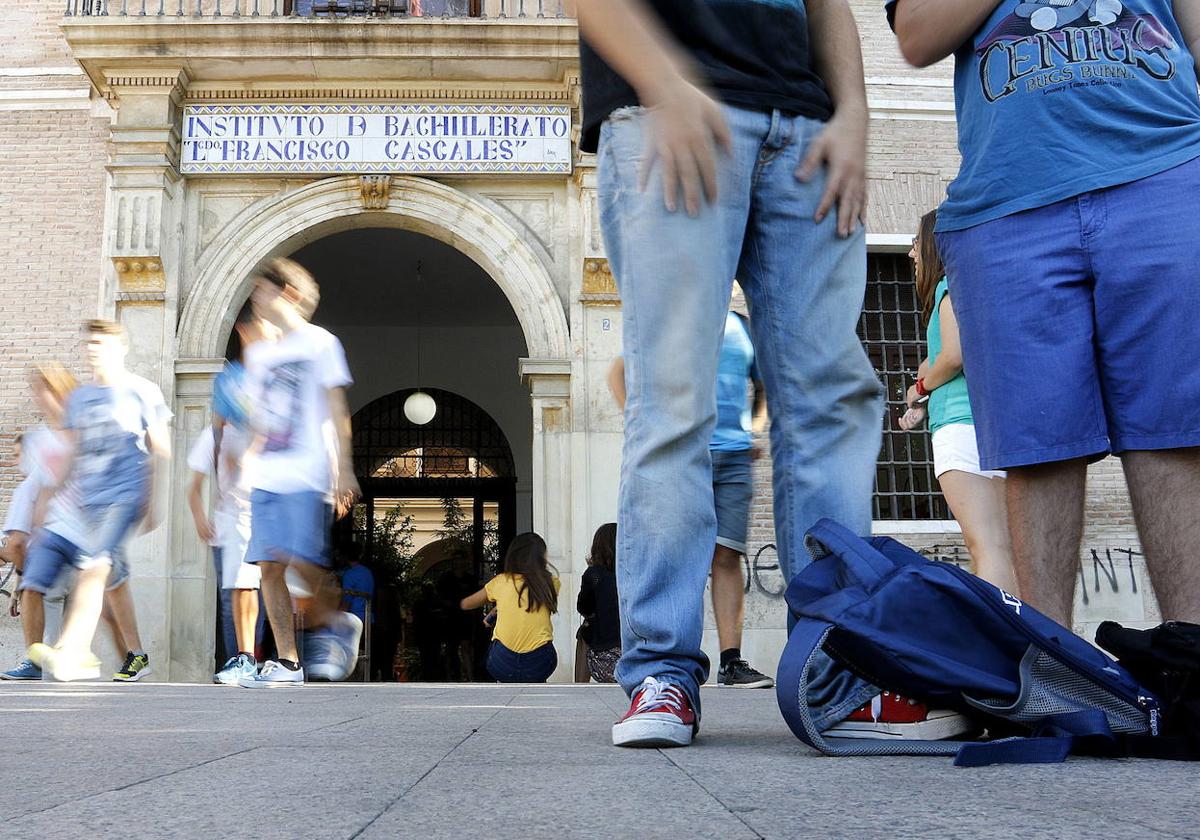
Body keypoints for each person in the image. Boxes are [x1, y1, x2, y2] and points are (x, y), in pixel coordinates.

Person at [580, 0, 884, 747]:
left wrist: (854, 114)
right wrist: (664, 82)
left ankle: (841, 671)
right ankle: (662, 674)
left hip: (808, 126)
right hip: (673, 107)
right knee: (674, 399)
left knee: (834, 403)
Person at [886, 0, 1200, 626]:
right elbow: (917, 36)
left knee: (1177, 434)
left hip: (1168, 163)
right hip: (1008, 198)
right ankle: (1054, 688)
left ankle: (1190, 679)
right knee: (1039, 448)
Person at [608, 307, 775, 689]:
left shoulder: (744, 327)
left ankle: (731, 662)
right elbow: (618, 372)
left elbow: (765, 388)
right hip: (685, 452)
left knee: (727, 555)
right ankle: (673, 661)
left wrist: (754, 429)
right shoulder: (676, 315)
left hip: (733, 457)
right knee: (680, 555)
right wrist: (640, 426)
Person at [237, 257, 363, 687]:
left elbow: (336, 407)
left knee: (303, 563)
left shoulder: (319, 343)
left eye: (261, 289)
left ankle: (336, 620)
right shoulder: (261, 355)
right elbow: (260, 419)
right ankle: (289, 662)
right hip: (268, 477)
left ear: (286, 293)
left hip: (307, 474)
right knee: (269, 566)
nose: (254, 298)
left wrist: (343, 469)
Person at [29, 322, 171, 683]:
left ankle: (72, 649)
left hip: (124, 496)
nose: (93, 349)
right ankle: (137, 656)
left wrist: (152, 500)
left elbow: (161, 448)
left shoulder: (142, 390)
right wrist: (50, 495)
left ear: (120, 347)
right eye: (89, 343)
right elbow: (73, 451)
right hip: (91, 501)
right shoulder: (80, 398)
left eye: (100, 343)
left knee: (93, 567)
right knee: (114, 581)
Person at [898, 210, 1017, 595]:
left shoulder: (947, 287)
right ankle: (1028, 642)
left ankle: (1000, 646)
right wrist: (921, 390)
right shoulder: (977, 291)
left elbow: (952, 355)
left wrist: (920, 387)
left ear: (933, 245)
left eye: (916, 243)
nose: (912, 254)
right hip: (989, 423)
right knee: (1002, 546)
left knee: (986, 547)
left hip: (960, 427)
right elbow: (938, 357)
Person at [460, 532, 560, 684]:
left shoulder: (500, 582)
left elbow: (467, 604)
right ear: (541, 558)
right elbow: (525, 602)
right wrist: (498, 609)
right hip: (540, 663)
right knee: (538, 662)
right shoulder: (551, 583)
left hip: (503, 664)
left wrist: (494, 607)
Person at [577, 523, 621, 683]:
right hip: (632, 651)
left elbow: (583, 607)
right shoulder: (631, 573)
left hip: (604, 656)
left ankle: (580, 683)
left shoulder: (594, 575)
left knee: (583, 633)